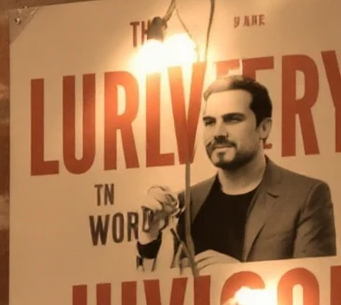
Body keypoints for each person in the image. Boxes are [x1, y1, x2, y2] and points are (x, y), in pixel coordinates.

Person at [137, 76, 337, 272]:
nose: (218, 132)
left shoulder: (306, 196)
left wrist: (240, 276)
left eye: (232, 119)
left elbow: (316, 290)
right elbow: (156, 294)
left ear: (264, 128)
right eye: (209, 122)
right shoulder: (185, 202)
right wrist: (149, 239)